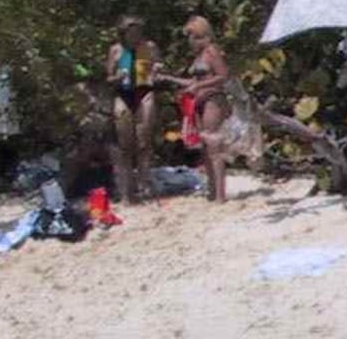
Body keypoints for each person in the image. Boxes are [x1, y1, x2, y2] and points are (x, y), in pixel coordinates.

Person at [167, 14, 254, 204]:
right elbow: (195, 80)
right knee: (205, 146)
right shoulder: (200, 55)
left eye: (192, 36)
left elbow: (223, 75)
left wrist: (199, 86)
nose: (190, 41)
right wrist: (170, 79)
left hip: (213, 99)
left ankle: (220, 195)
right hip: (200, 100)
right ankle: (213, 191)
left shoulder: (211, 51)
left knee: (214, 144)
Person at [103, 18, 160, 203]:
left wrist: (156, 69)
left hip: (144, 92)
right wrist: (117, 77)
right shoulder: (116, 50)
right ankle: (126, 190)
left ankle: (145, 186)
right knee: (125, 145)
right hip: (123, 94)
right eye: (131, 32)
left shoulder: (149, 47)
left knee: (144, 142)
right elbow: (108, 78)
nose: (135, 36)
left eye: (137, 32)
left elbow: (159, 69)